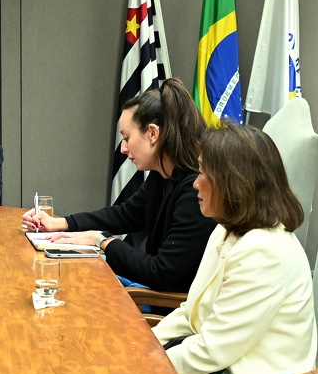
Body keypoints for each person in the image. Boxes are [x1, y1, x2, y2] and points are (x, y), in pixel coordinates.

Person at [152, 122, 318, 374]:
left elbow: (212, 350)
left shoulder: (265, 251)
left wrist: (141, 367)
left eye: (204, 173)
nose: (195, 183)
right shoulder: (225, 229)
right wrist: (141, 345)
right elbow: (191, 313)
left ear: (233, 184)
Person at [21, 78, 215, 292]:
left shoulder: (195, 191)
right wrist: (62, 223)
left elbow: (161, 273)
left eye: (126, 138)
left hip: (166, 308)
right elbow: (126, 214)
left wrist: (102, 240)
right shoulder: (162, 175)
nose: (123, 149)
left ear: (153, 133)